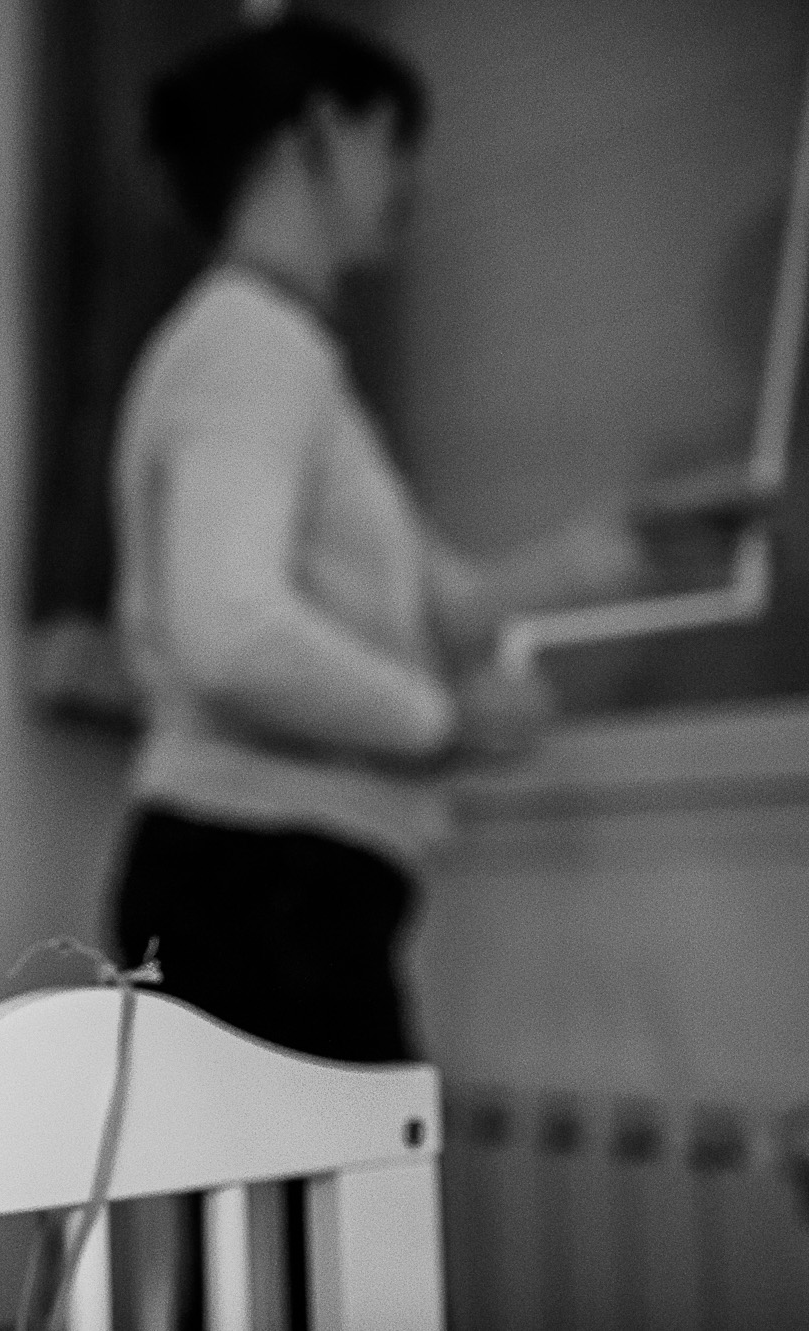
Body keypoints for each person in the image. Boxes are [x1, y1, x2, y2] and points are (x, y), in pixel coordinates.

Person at [107, 15, 743, 1329]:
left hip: (254, 876)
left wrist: (624, 550)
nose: (412, 182)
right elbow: (230, 626)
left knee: (273, 1281)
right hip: (266, 880)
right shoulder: (255, 347)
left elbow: (429, 602)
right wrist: (443, 724)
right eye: (399, 142)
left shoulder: (264, 355)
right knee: (325, 1281)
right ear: (320, 134)